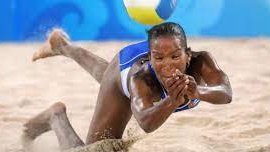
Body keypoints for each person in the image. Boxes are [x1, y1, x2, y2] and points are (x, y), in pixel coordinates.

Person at [23, 22, 232, 151]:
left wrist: (198, 92)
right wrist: (171, 101)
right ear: (150, 58)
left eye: (176, 56)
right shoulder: (140, 77)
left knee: (105, 75)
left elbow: (226, 92)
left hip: (150, 51)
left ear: (188, 55)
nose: (168, 65)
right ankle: (56, 116)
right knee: (99, 149)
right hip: (125, 72)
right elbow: (145, 122)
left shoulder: (201, 62)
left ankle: (62, 46)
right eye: (159, 58)